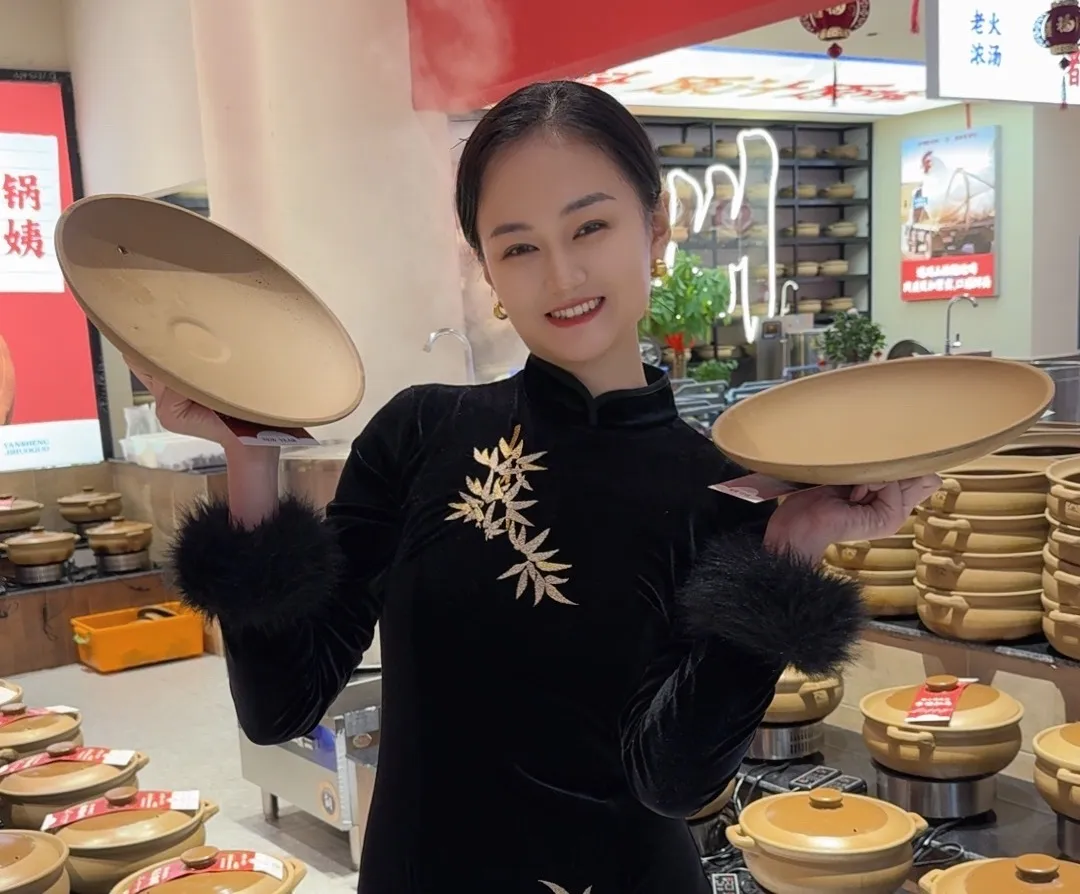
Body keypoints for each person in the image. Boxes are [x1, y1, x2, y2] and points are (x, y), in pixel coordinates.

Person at [138, 81, 940, 894]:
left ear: (655, 228)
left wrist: (791, 548)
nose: (562, 274)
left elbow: (671, 781)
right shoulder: (421, 433)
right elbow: (281, 706)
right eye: (518, 246)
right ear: (486, 267)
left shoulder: (723, 492)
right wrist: (250, 450)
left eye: (590, 227)